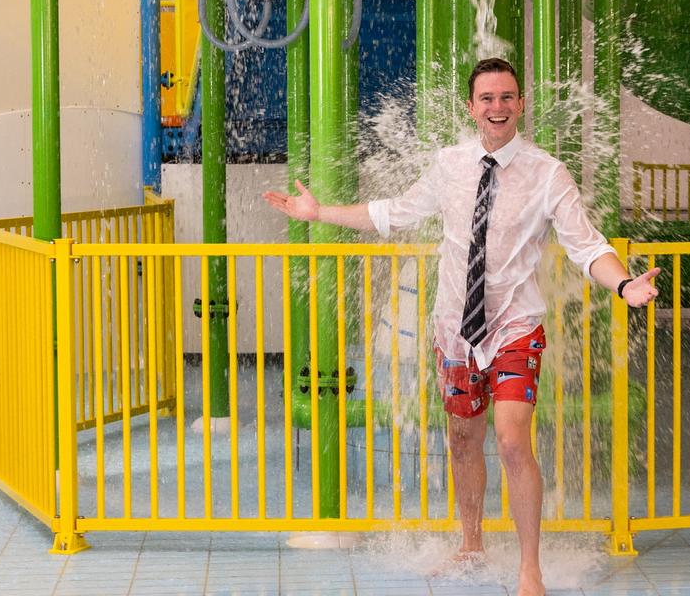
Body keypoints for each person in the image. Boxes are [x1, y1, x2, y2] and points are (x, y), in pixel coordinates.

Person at [263, 57, 659, 596]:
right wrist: (319, 213)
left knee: (513, 439)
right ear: (471, 108)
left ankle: (530, 570)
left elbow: (588, 245)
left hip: (515, 328)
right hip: (454, 329)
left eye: (507, 97)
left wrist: (623, 285)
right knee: (461, 439)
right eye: (487, 99)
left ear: (521, 104)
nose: (498, 107)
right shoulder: (449, 164)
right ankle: (471, 543)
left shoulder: (548, 173)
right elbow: (393, 212)